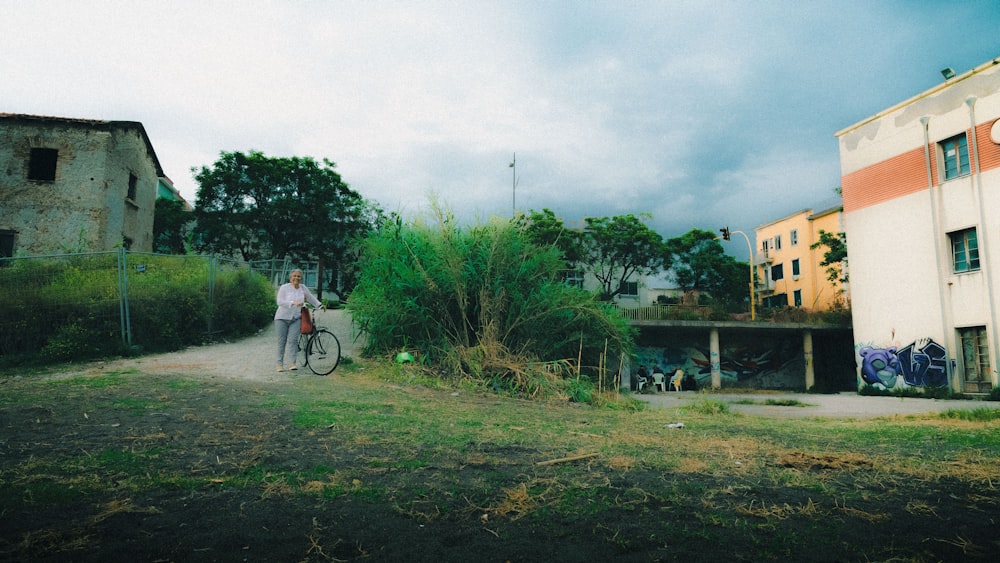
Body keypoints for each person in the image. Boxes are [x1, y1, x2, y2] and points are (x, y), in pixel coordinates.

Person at [274, 269, 322, 372]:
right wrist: (293, 303)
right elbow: (279, 301)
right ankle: (279, 364)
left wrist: (320, 305)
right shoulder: (284, 288)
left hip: (296, 318)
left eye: (299, 276)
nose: (296, 278)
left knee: (293, 340)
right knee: (282, 341)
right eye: (294, 276)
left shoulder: (303, 288)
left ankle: (292, 363)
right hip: (282, 318)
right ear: (290, 278)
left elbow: (311, 298)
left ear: (301, 278)